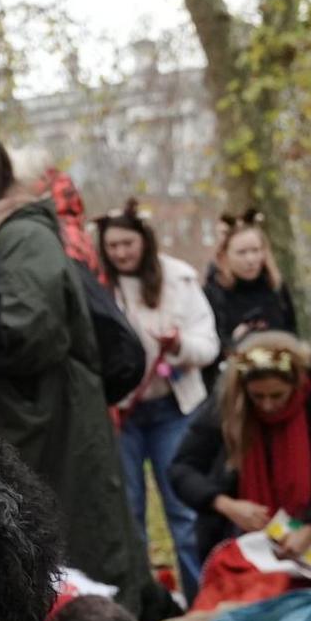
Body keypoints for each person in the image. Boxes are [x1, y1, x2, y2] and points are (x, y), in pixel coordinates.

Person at [0, 120, 154, 614]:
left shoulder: (23, 236)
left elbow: (28, 330)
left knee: (83, 558)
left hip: (59, 427)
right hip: (47, 423)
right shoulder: (3, 232)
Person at [97, 202, 221, 595]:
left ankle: (199, 598)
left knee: (182, 510)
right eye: (112, 245)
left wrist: (179, 344)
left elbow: (209, 345)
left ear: (144, 241)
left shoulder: (179, 280)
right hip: (122, 415)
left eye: (127, 244)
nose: (120, 253)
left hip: (172, 409)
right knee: (129, 515)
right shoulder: (99, 284)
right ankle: (142, 601)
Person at [169, 333, 311, 571]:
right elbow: (182, 469)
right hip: (239, 541)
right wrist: (226, 505)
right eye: (257, 396)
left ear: (297, 382)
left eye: (277, 395)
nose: (267, 406)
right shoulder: (226, 408)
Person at [205, 211, 298, 354]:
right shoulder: (212, 293)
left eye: (255, 250)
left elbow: (292, 333)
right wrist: (234, 342)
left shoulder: (276, 288)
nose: (250, 259)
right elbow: (209, 345)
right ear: (225, 255)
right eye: (241, 252)